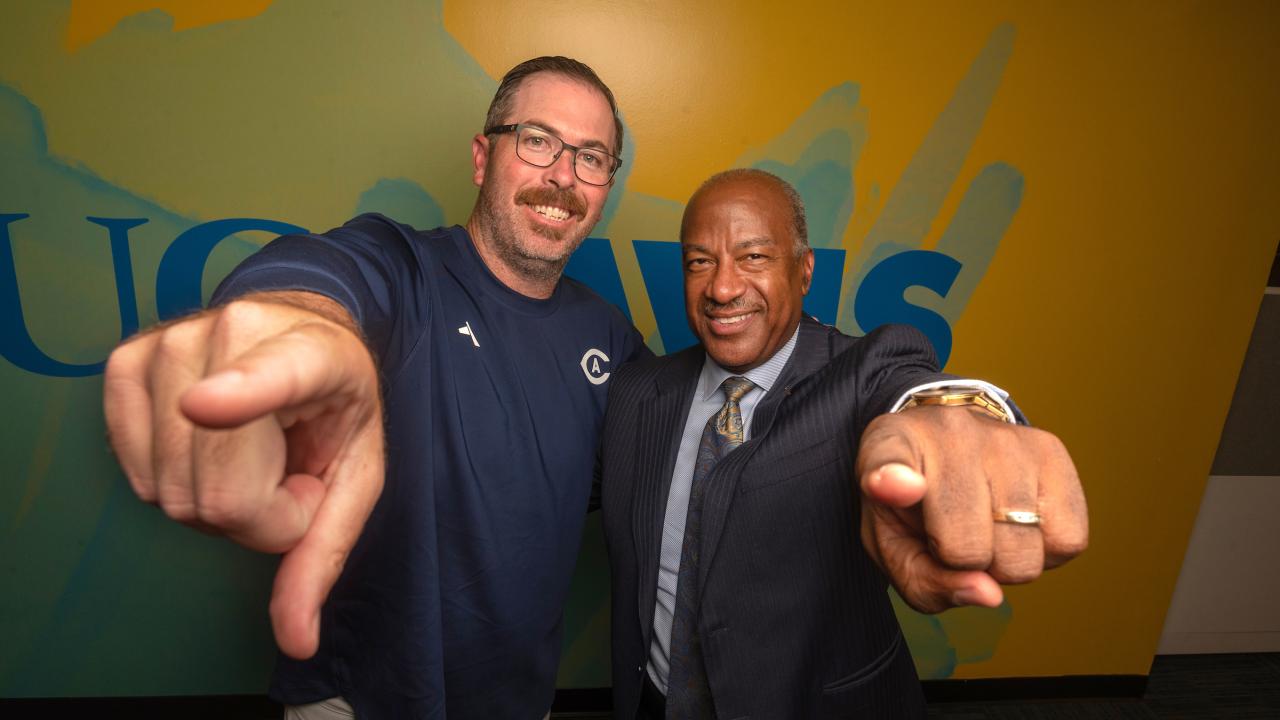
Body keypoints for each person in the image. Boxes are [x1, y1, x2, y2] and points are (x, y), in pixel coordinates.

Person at [104, 57, 1080, 718]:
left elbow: (901, 387)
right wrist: (286, 324)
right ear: (484, 156)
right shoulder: (395, 268)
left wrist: (960, 414)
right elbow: (317, 287)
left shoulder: (614, 350)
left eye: (590, 157)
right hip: (357, 698)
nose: (560, 175)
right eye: (536, 142)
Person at [596, 169, 1088, 719]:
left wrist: (959, 418)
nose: (723, 287)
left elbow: (908, 390)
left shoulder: (858, 373)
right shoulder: (637, 391)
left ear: (804, 271)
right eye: (699, 262)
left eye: (754, 257)